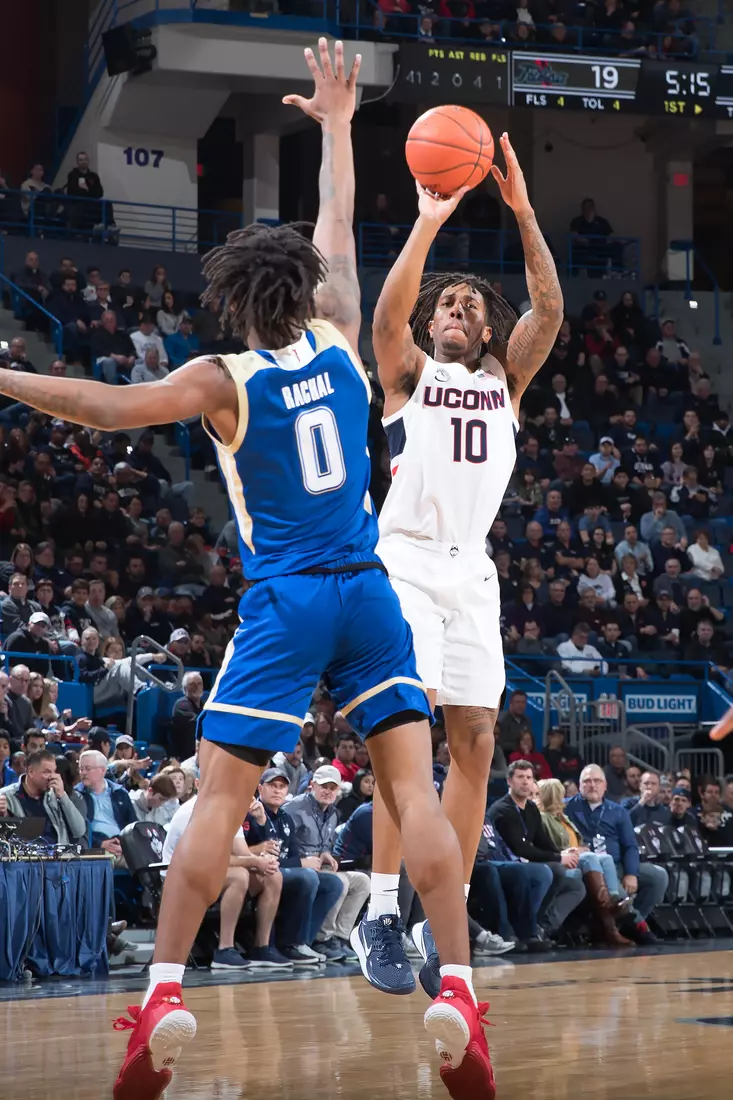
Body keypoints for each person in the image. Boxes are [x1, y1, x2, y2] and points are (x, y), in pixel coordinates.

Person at [0, 42, 478, 1100]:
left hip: (286, 600)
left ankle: (164, 994)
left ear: (235, 304)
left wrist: (6, 376)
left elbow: (105, 407)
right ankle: (458, 987)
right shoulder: (343, 338)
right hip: (367, 590)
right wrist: (339, 125)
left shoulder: (223, 379)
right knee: (416, 788)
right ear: (303, 291)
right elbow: (337, 223)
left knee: (218, 797)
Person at [359, 118, 563, 1017]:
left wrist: (521, 212)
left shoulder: (504, 382)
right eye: (446, 304)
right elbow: (384, 318)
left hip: (470, 572)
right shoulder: (406, 376)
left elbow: (548, 312)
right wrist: (428, 222)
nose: (455, 311)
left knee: (476, 740)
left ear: (487, 332)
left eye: (470, 307)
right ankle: (378, 910)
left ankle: (437, 910)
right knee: (410, 725)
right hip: (403, 561)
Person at [164, 793, 292, 971]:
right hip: (179, 877)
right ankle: (225, 949)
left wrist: (263, 861)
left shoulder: (229, 809)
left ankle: (261, 948)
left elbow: (242, 852)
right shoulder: (193, 812)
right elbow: (210, 860)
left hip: (207, 871)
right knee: (238, 876)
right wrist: (254, 862)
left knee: (272, 876)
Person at [565, 764, 669, 944]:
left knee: (659, 876)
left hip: (618, 863)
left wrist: (631, 873)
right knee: (614, 886)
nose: (592, 785)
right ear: (580, 785)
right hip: (590, 867)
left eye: (597, 781)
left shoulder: (617, 811)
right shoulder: (567, 807)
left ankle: (626, 927)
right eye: (587, 781)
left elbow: (630, 846)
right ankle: (637, 925)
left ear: (605, 785)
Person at [487, 760, 586, 939]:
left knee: (576, 886)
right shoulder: (502, 810)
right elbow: (521, 849)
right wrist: (558, 858)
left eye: (529, 777)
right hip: (507, 864)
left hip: (525, 863)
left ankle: (541, 927)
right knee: (551, 871)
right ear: (509, 781)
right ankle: (525, 927)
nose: (525, 782)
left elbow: (542, 841)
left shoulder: (531, 808)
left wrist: (562, 854)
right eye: (520, 777)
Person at [287, 763, 370, 955]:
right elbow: (284, 843)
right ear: (312, 785)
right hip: (299, 866)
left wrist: (325, 852)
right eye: (324, 786)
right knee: (339, 881)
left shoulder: (332, 813)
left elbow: (325, 843)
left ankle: (339, 938)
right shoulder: (294, 809)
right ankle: (321, 939)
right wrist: (303, 859)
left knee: (363, 882)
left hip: (319, 866)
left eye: (333, 788)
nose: (328, 791)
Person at [0, 748, 88, 844]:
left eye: (54, 771)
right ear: (31, 771)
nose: (52, 777)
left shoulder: (55, 795)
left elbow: (79, 832)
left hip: (58, 852)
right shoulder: (6, 796)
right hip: (25, 852)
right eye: (47, 772)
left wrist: (63, 796)